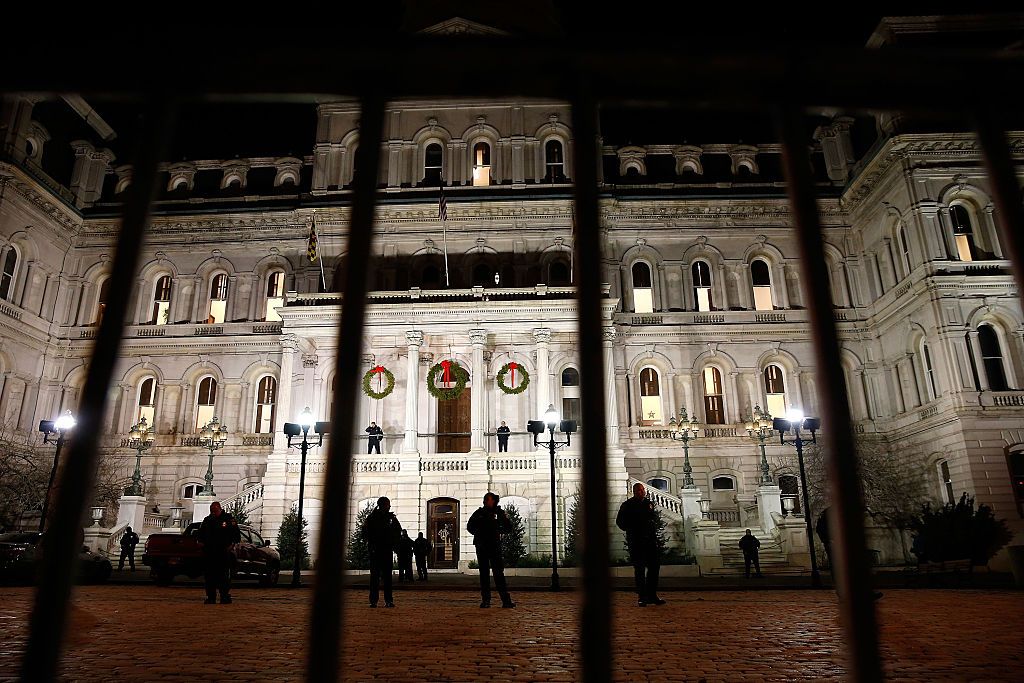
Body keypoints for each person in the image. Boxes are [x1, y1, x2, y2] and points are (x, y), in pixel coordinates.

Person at [616, 482, 664, 607]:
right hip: (637, 542)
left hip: (650, 542)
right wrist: (632, 530)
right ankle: (642, 597)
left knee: (654, 568)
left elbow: (653, 520)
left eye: (642, 490)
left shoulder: (648, 504)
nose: (641, 492)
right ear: (634, 491)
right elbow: (620, 522)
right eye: (638, 491)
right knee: (640, 570)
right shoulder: (627, 505)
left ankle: (652, 595)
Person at [467, 492, 515, 608]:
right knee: (484, 574)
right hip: (482, 546)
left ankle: (505, 600)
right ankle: (486, 600)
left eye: (491, 500)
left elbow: (508, 527)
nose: (490, 502)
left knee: (498, 573)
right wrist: (479, 534)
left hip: (494, 546)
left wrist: (499, 531)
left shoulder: (499, 513)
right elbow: (470, 526)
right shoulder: (479, 513)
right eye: (488, 500)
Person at [197, 501, 241, 604]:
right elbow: (201, 533)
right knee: (209, 576)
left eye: (214, 511)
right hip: (209, 552)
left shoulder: (228, 519)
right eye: (211, 511)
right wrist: (200, 542)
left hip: (223, 552)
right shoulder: (207, 520)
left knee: (223, 576)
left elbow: (236, 534)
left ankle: (224, 596)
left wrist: (232, 545)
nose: (213, 513)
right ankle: (211, 597)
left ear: (219, 509)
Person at [363, 496, 401, 607]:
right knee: (378, 577)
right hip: (378, 550)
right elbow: (365, 533)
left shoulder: (388, 518)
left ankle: (383, 600)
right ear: (383, 505)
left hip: (383, 550)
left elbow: (397, 531)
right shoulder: (372, 518)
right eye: (388, 504)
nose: (389, 506)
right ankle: (379, 601)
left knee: (383, 577)